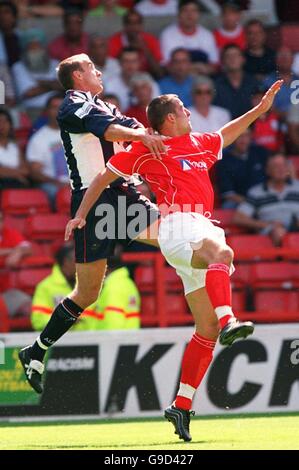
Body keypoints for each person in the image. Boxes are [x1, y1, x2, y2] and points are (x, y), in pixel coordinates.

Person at [65, 80, 283, 441]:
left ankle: (181, 405)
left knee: (205, 327)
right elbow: (104, 176)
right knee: (223, 255)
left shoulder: (200, 142)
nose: (188, 112)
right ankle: (230, 320)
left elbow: (226, 133)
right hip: (178, 224)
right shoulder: (151, 147)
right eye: (183, 108)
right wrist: (81, 215)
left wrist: (260, 110)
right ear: (169, 119)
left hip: (200, 227)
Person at [18, 52, 164, 396]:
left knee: (176, 239)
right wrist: (143, 138)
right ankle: (36, 350)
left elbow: (130, 127)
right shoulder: (72, 106)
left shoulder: (104, 106)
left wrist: (162, 136)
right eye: (91, 68)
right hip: (96, 201)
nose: (98, 71)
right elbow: (111, 131)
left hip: (119, 195)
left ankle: (220, 315)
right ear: (77, 77)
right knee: (87, 293)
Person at [233, 153, 299, 246]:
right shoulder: (256, 192)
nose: (281, 169)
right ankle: (281, 260)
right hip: (272, 234)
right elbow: (238, 218)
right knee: (278, 232)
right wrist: (266, 224)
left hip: (296, 230)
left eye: (284, 165)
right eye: (276, 166)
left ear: (288, 169)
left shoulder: (298, 187)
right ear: (267, 170)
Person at [31, 244, 101, 331]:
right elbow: (38, 321)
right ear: (66, 263)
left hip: (93, 340)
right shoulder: (46, 287)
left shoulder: (92, 284)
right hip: (61, 342)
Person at [26, 93, 68, 206]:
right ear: (47, 111)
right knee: (55, 192)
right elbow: (35, 172)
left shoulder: (77, 134)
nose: (59, 111)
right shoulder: (38, 139)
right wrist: (57, 183)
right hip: (52, 185)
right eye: (54, 107)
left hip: (77, 184)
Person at [160, 0, 218, 75]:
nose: (190, 15)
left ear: (199, 14)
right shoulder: (168, 34)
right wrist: (194, 68)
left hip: (203, 77)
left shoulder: (207, 35)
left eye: (194, 11)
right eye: (185, 10)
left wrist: (206, 69)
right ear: (178, 14)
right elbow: (166, 65)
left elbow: (214, 65)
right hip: (176, 77)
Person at [216, 128, 268, 208]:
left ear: (251, 137)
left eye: (247, 136)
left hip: (264, 198)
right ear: (232, 138)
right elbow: (228, 194)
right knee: (228, 205)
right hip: (239, 201)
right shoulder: (224, 161)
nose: (243, 140)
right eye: (239, 136)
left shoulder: (260, 153)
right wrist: (252, 203)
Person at [214, 43, 259, 119]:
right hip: (225, 127)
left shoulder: (254, 83)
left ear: (243, 59)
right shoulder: (216, 85)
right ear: (223, 61)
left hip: (251, 126)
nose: (232, 59)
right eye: (228, 56)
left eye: (236, 55)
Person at [0, 108, 29, 189]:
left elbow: (26, 170)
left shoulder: (15, 146)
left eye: (5, 121)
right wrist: (17, 175)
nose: (2, 125)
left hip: (16, 183)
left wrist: (8, 172)